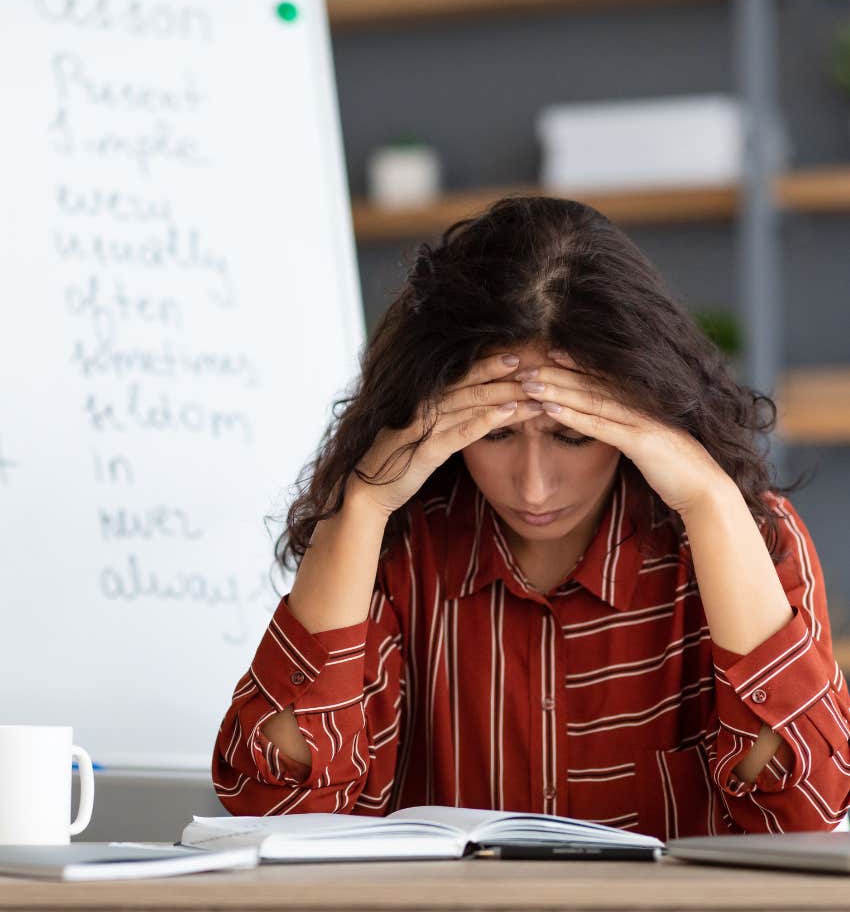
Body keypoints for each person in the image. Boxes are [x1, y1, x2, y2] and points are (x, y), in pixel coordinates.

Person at [212, 195, 850, 840]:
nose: (534, 486)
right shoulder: (394, 543)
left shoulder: (748, 536)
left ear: (647, 416)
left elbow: (802, 815)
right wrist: (363, 504)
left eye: (573, 436)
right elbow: (278, 811)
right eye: (494, 435)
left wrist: (710, 500)